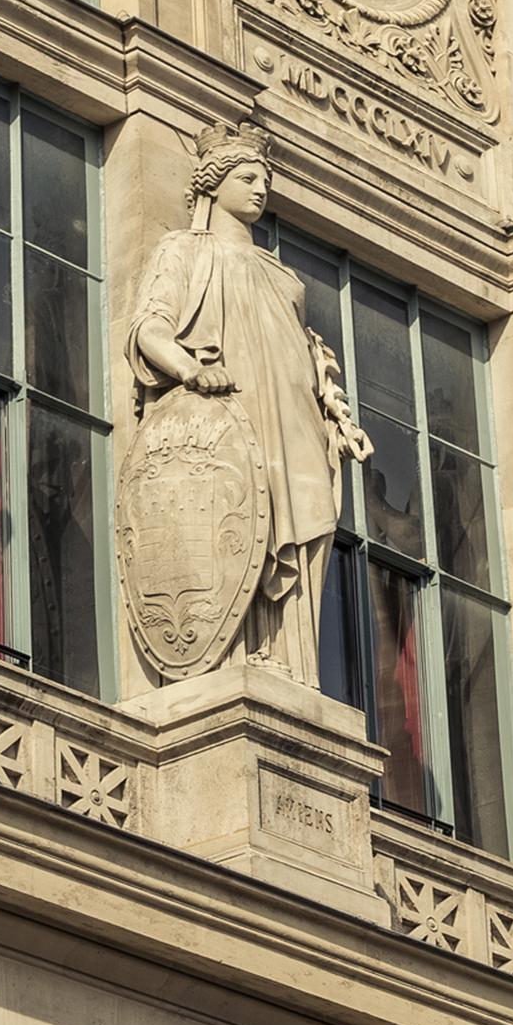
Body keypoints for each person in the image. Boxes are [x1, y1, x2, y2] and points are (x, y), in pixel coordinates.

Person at [125, 121, 369, 681]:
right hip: (231, 421)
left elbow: (304, 358)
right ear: (214, 183)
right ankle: (233, 659)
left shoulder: (284, 278)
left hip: (296, 421)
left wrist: (330, 402)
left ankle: (291, 659)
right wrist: (191, 369)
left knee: (308, 521)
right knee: (238, 522)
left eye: (266, 179)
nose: (262, 189)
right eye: (248, 176)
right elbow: (149, 328)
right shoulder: (183, 250)